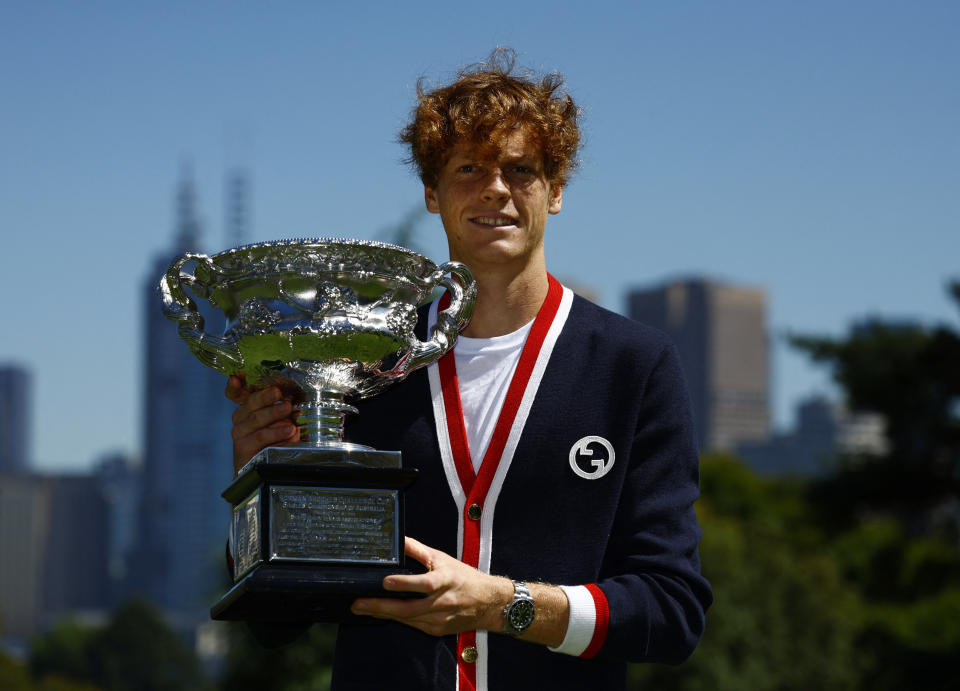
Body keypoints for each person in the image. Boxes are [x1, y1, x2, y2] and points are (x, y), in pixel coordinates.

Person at [226, 48, 712, 691]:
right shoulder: (366, 366)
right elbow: (272, 624)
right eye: (468, 169)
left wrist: (504, 606)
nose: (495, 189)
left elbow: (671, 611)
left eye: (521, 169)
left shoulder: (632, 366)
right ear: (431, 192)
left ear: (556, 190)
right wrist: (261, 487)